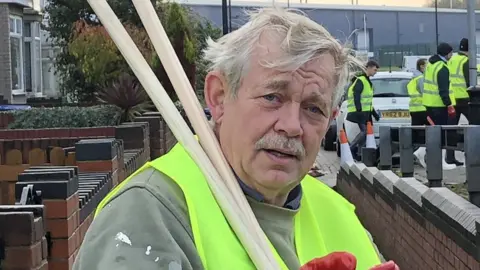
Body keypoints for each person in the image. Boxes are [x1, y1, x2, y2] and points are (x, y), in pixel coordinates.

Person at [73, 8, 398, 270]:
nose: (292, 126)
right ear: (218, 97)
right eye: (273, 97)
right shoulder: (148, 214)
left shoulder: (337, 213)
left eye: (313, 108)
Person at [422, 42, 457, 170]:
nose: (452, 55)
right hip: (439, 105)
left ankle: (423, 154)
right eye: (451, 53)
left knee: (432, 132)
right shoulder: (442, 68)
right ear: (447, 53)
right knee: (440, 134)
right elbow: (443, 89)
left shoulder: (431, 65)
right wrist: (449, 104)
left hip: (429, 103)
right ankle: (439, 162)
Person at [345, 60, 380, 160]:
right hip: (359, 112)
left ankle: (360, 154)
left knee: (366, 133)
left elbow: (368, 101)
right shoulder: (361, 80)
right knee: (364, 132)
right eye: (374, 70)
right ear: (368, 68)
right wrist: (359, 109)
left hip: (366, 112)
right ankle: (351, 148)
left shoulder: (367, 81)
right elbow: (356, 94)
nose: (375, 72)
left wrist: (374, 114)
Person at [445, 38, 471, 166]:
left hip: (452, 99)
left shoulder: (452, 59)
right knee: (475, 127)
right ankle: (474, 154)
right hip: (465, 99)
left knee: (451, 129)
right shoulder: (466, 61)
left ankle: (450, 157)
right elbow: (469, 82)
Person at [407, 58, 428, 167]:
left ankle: (414, 155)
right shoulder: (420, 78)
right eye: (426, 65)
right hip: (422, 108)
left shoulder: (413, 78)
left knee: (416, 132)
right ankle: (420, 154)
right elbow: (424, 92)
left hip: (414, 109)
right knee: (432, 131)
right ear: (421, 67)